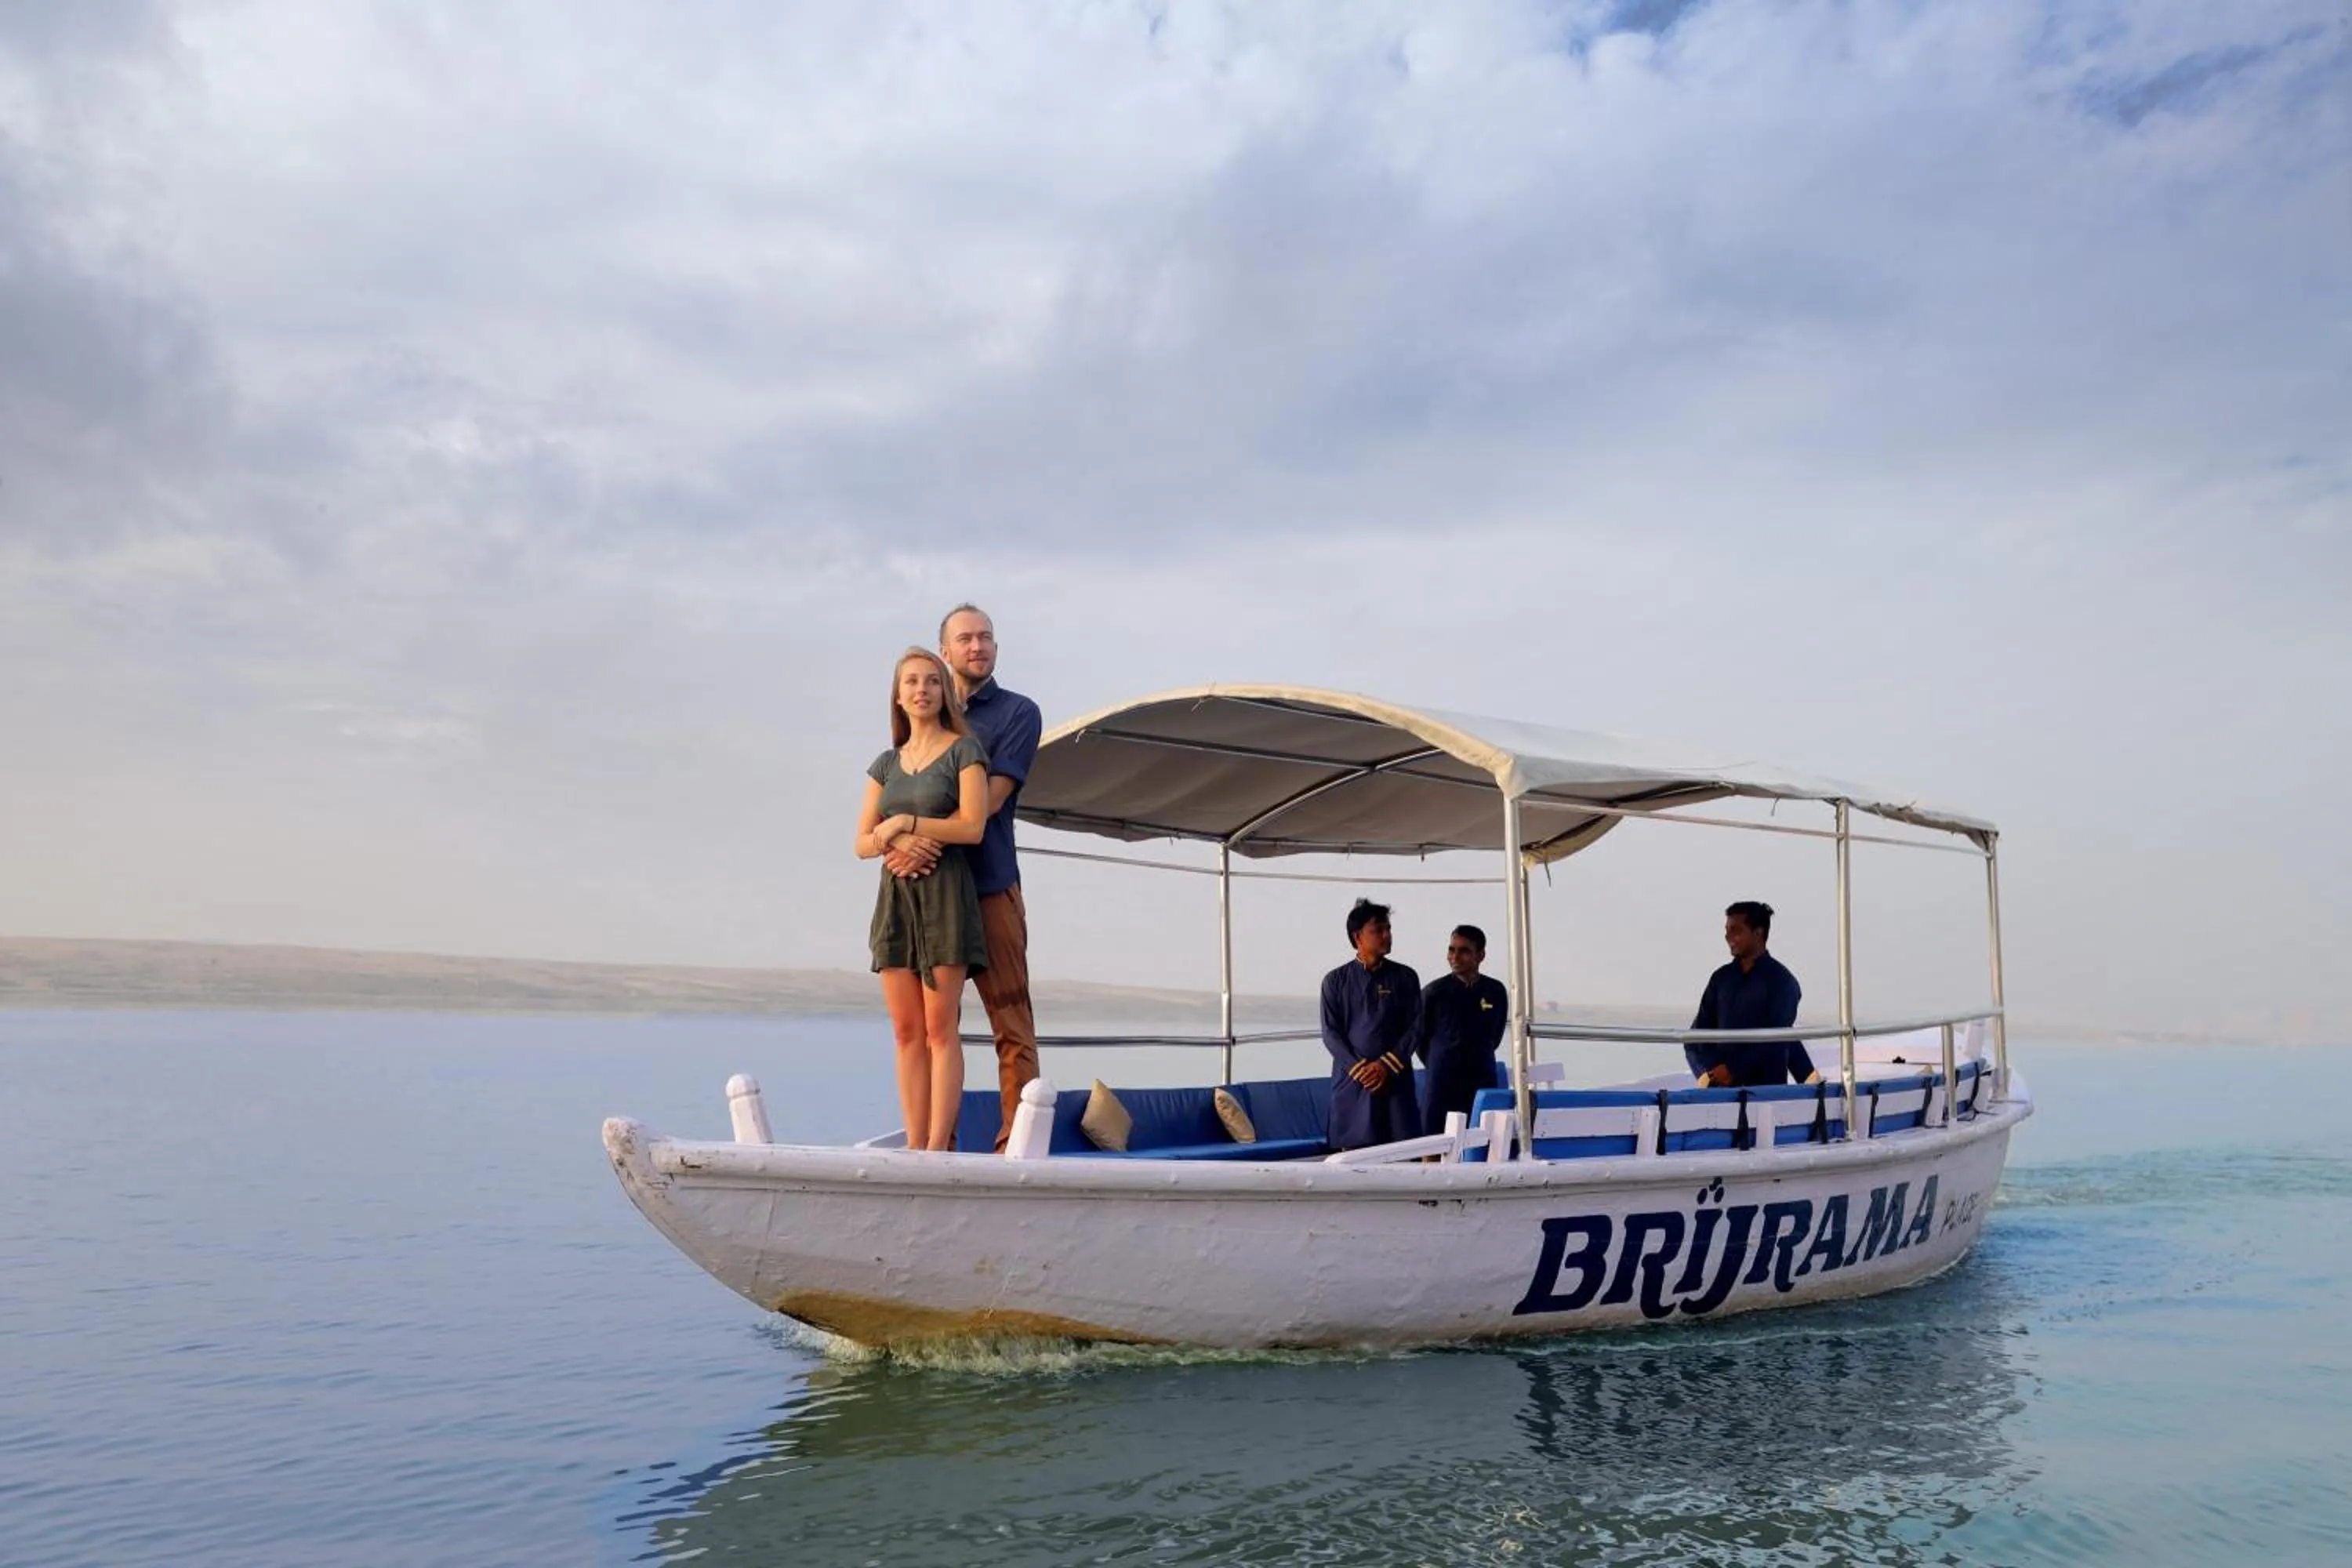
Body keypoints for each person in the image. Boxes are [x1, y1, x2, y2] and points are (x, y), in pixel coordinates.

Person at [883, 604, 1044, 1150]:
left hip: (991, 886)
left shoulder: (1019, 713)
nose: (978, 647)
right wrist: (901, 842)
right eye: (966, 639)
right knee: (932, 1030)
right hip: (926, 894)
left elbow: (989, 803)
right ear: (944, 650)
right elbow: (895, 796)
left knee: (1010, 1023)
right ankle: (936, 1147)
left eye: (987, 638)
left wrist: (914, 836)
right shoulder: (924, 718)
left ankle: (1013, 1149)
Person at [857, 647, 991, 1151]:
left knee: (940, 1029)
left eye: (932, 681)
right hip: (895, 902)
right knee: (906, 1031)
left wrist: (906, 823)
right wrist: (893, 840)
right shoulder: (885, 764)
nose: (921, 690)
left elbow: (972, 828)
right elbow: (861, 843)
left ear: (944, 692)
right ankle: (914, 1146)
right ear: (898, 695)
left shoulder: (965, 751)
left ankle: (937, 1149)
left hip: (946, 898)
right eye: (911, 682)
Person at [1684, 900, 1822, 1088]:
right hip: (1720, 1093)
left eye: (1736, 930)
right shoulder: (1720, 979)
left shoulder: (1783, 982)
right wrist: (1709, 1072)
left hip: (1766, 1095)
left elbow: (1776, 1038)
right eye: (1727, 930)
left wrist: (1732, 1070)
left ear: (1758, 933)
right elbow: (1696, 1037)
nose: (1728, 937)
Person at [1319, 899, 1423, 1150]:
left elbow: (1416, 1026)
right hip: (1354, 1081)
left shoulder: (1406, 977)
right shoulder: (1335, 981)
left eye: (1388, 929)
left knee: (1403, 1153)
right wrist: (1361, 1069)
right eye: (1378, 930)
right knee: (1352, 1156)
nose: (1387, 935)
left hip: (1395, 1079)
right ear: (1358, 937)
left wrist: (1385, 1066)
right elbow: (1331, 1033)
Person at [1417, 924, 1509, 1136]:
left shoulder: (1495, 990)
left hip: (1481, 1076)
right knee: (1434, 1141)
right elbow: (1419, 1039)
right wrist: (1440, 1060)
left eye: (1464, 951)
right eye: (1451, 950)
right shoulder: (1434, 993)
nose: (1455, 957)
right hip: (1442, 1080)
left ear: (1481, 955)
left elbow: (1495, 1036)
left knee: (1483, 1137)